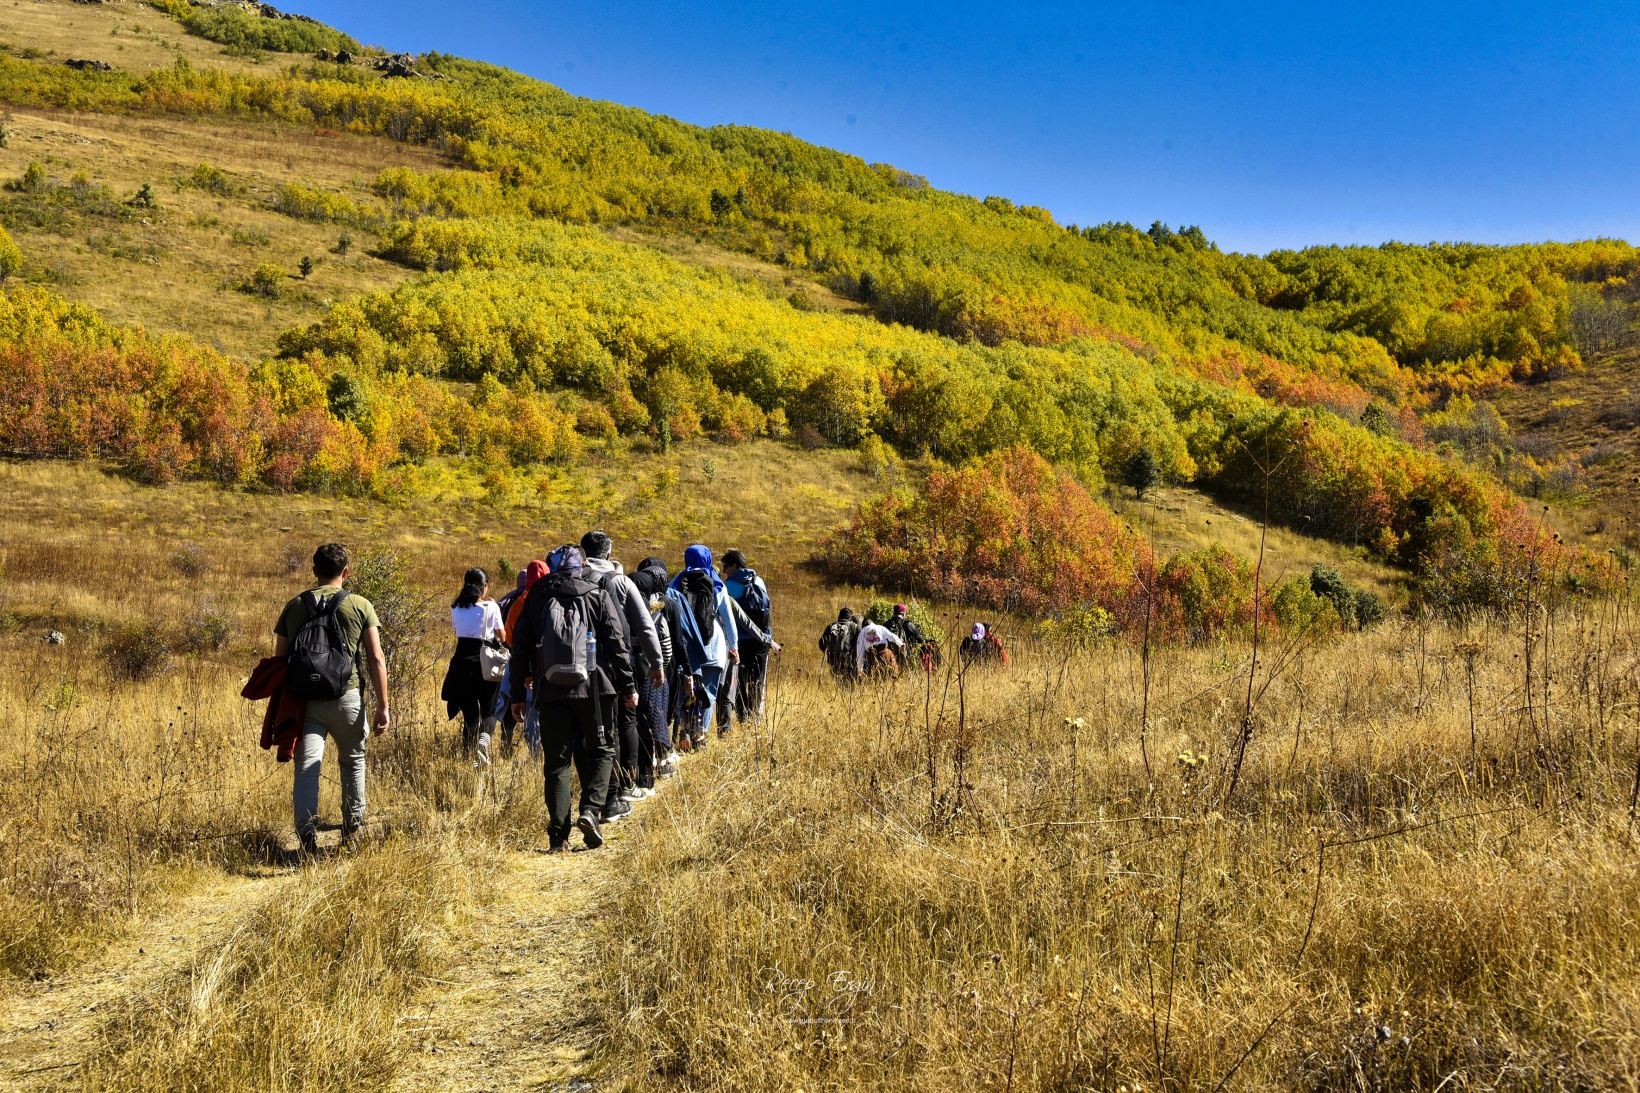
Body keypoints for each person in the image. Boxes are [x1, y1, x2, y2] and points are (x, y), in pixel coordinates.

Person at [507, 544, 636, 852]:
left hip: (550, 691)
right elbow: (617, 645)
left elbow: (520, 648)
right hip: (595, 690)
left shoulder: (537, 597)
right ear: (582, 566)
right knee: (603, 750)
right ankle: (591, 811)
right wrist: (628, 686)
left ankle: (557, 837)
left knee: (556, 763)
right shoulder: (597, 594)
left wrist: (517, 694)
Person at [271, 542, 388, 855]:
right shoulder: (361, 605)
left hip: (305, 702)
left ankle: (307, 838)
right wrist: (383, 706)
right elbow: (376, 658)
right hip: (347, 697)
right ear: (346, 572)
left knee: (308, 765)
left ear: (314, 572)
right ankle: (351, 833)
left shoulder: (294, 605)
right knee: (352, 762)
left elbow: (280, 662)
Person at [581, 531, 665, 817]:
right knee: (623, 721)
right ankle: (624, 784)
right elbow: (644, 625)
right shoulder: (620, 581)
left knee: (590, 728)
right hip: (617, 663)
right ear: (608, 554)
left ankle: (595, 791)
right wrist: (657, 663)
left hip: (579, 664)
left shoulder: (575, 578)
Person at [666, 544, 738, 750]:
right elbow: (728, 618)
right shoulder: (717, 584)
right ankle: (700, 735)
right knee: (709, 692)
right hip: (713, 644)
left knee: (685, 690)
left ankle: (683, 733)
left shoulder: (676, 583)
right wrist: (734, 646)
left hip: (687, 645)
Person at [441, 567, 506, 766]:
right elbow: (502, 637)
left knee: (470, 713)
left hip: (461, 663)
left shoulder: (455, 608)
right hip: (484, 663)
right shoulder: (491, 608)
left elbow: (457, 631)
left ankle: (468, 757)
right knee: (489, 712)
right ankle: (482, 746)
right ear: (484, 587)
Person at [631, 556, 683, 778]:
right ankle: (662, 763)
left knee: (638, 719)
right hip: (653, 671)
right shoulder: (659, 607)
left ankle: (637, 767)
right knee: (658, 716)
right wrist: (661, 664)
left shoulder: (622, 604)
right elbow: (668, 643)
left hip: (630, 672)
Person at [722, 549, 776, 727]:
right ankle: (755, 719)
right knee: (757, 681)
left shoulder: (728, 586)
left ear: (734, 566)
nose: (724, 571)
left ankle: (742, 716)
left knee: (737, 680)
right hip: (761, 640)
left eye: (726, 566)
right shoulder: (758, 580)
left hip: (740, 640)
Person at [819, 608, 862, 679]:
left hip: (833, 660)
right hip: (850, 660)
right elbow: (861, 643)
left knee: (837, 680)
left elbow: (821, 643)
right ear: (850, 617)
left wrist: (829, 654)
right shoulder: (855, 626)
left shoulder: (831, 626)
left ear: (839, 616)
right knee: (851, 681)